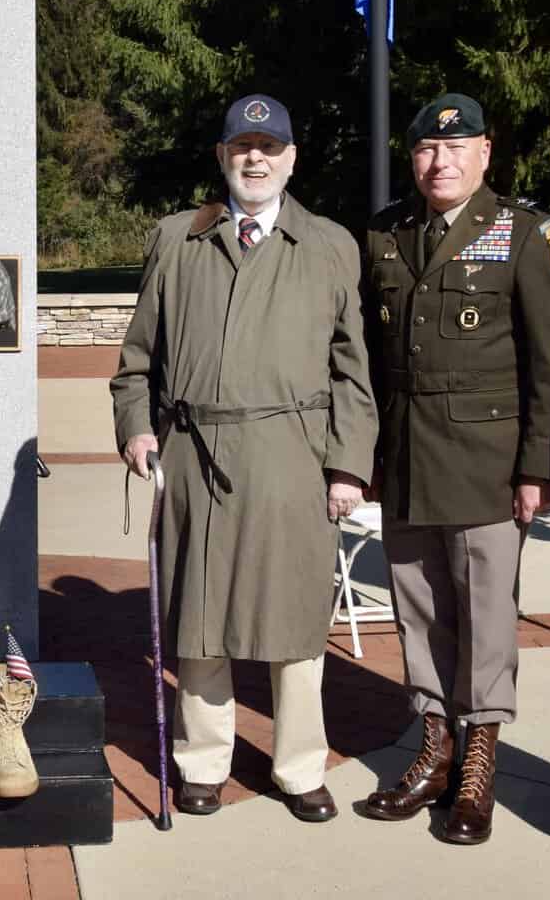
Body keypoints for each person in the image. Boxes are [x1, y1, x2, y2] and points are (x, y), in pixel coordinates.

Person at [111, 94, 378, 823]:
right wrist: (136, 428)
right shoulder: (177, 238)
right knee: (200, 617)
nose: (253, 159)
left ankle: (297, 768)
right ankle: (202, 762)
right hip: (194, 452)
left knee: (292, 619)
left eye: (268, 147)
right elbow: (137, 361)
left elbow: (352, 370)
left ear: (291, 158)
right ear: (221, 156)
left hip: (293, 453)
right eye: (240, 147)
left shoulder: (327, 244)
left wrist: (348, 464)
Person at [359, 94, 550, 844]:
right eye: (423, 151)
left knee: (483, 615)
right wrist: (366, 456)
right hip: (406, 456)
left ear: (484, 153)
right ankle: (435, 747)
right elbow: (370, 362)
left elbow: (548, 361)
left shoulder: (523, 231)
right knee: (416, 607)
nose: (438, 162)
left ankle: (478, 761)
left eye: (455, 149)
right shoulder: (385, 232)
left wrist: (536, 468)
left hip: (486, 460)